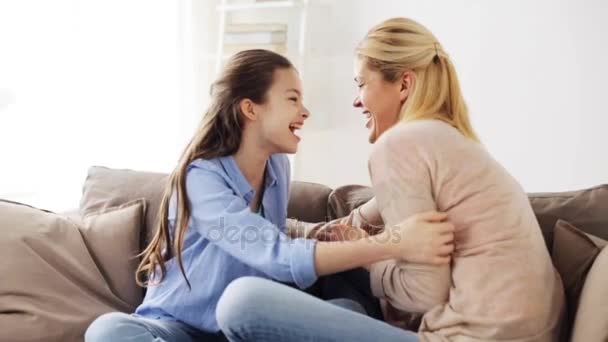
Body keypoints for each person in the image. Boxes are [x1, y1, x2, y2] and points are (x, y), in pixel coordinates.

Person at [217, 18, 564, 342]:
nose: (356, 100)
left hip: (473, 337)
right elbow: (350, 225)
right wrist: (270, 228)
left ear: (404, 84)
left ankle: (345, 311)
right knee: (335, 268)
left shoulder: (401, 145)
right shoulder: (447, 140)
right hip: (531, 332)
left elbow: (423, 293)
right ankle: (346, 312)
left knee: (240, 302)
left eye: (361, 84)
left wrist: (368, 254)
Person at [84, 49, 455, 342]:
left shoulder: (277, 166)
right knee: (108, 331)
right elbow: (276, 256)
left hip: (243, 327)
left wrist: (333, 230)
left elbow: (270, 235)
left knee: (345, 308)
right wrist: (396, 243)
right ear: (250, 108)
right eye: (292, 99)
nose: (305, 111)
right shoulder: (201, 179)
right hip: (176, 328)